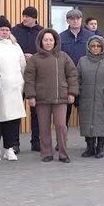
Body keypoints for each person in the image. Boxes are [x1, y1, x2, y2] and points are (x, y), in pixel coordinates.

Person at [24, 29, 77, 163]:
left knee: (61, 126)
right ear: (41, 42)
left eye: (51, 40)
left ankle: (63, 153)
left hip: (61, 98)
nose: (48, 43)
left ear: (55, 42)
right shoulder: (34, 59)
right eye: (45, 40)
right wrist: (31, 96)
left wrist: (72, 92)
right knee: (44, 127)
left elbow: (72, 75)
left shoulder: (63, 56)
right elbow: (29, 79)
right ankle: (46, 153)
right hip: (41, 99)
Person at [0, 16, 26, 162]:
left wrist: (21, 84)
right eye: (2, 30)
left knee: (12, 120)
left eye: (7, 30)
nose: (5, 32)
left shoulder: (15, 46)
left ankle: (9, 148)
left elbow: (22, 65)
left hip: (14, 89)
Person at [76, 35, 104, 158]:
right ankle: (90, 147)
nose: (96, 48)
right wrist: (76, 93)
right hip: (86, 96)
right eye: (93, 46)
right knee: (87, 121)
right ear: (88, 47)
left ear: (103, 47)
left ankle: (100, 147)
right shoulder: (82, 60)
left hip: (102, 96)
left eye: (98, 46)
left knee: (101, 121)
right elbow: (77, 78)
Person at [11, 6, 43, 151]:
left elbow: (46, 50)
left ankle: (36, 142)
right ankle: (14, 143)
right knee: (16, 109)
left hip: (36, 76)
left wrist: (34, 57)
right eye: (23, 16)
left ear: (34, 18)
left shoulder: (42, 32)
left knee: (35, 110)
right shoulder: (15, 31)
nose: (24, 19)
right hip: (18, 75)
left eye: (27, 17)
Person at [59, 9, 92, 126]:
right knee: (64, 113)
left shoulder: (90, 36)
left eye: (78, 18)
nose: (75, 21)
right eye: (72, 19)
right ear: (68, 21)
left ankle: (89, 141)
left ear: (81, 20)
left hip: (85, 78)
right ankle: (62, 141)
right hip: (66, 79)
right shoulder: (60, 37)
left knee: (85, 112)